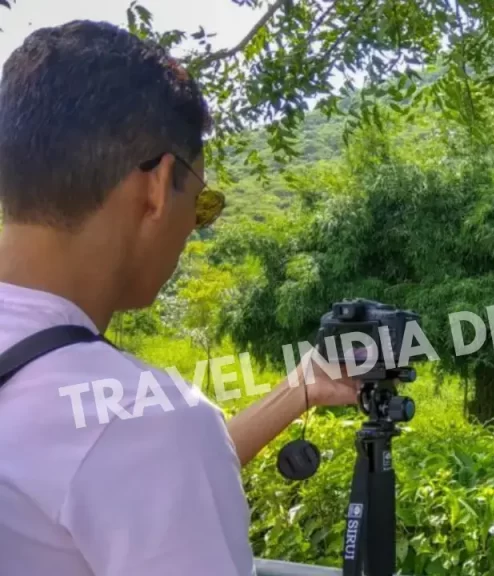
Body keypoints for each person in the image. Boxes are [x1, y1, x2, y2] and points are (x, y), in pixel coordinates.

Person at [0, 20, 358, 576]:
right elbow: (126, 452)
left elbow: (103, 471)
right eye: (203, 203)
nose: (195, 227)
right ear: (156, 187)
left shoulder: (114, 423)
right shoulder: (146, 422)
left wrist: (297, 391)